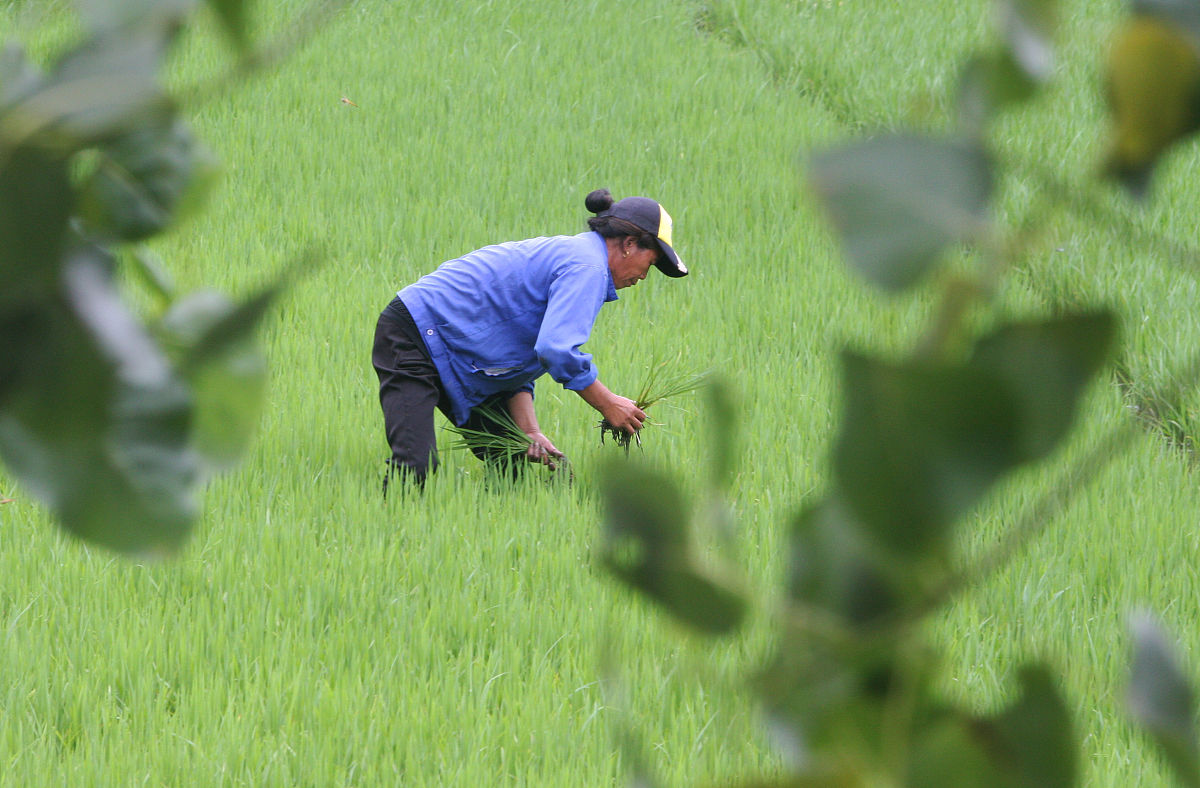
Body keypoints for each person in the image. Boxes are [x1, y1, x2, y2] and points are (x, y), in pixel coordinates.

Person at [371, 188, 687, 491]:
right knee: (415, 466)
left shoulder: (579, 260)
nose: (645, 275)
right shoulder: (586, 267)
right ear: (629, 244)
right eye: (651, 262)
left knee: (511, 461)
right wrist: (607, 403)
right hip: (415, 333)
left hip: (459, 351)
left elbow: (521, 359)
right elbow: (555, 350)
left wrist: (530, 430)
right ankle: (388, 526)